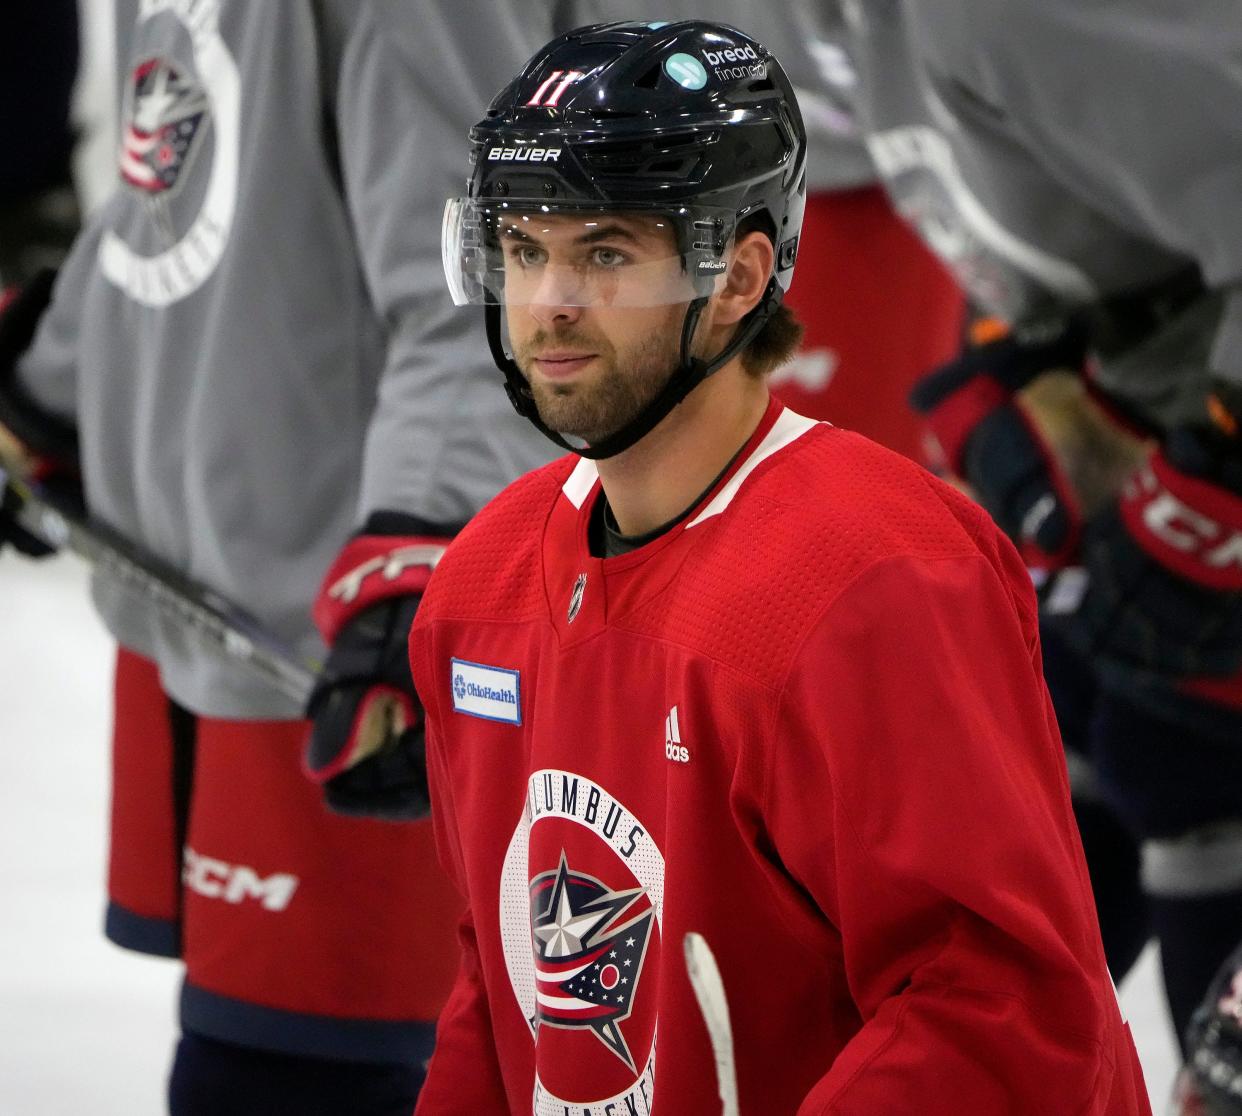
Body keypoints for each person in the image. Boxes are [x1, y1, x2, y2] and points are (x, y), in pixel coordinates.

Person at [408, 20, 1150, 1113]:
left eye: (604, 252)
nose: (548, 303)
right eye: (524, 251)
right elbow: (505, 991)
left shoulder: (879, 577)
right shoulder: (479, 591)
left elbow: (998, 1005)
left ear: (739, 275)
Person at [0, 2, 555, 1112]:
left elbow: (486, 275)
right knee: (257, 1050)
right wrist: (51, 389)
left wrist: (417, 557)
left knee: (295, 1069)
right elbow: (176, 187)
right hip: (215, 581)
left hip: (338, 629)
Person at [788, 0, 1242, 1070]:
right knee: (1068, 762)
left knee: (1168, 758)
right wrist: (1027, 351)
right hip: (1152, 416)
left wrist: (1218, 462)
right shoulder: (866, 29)